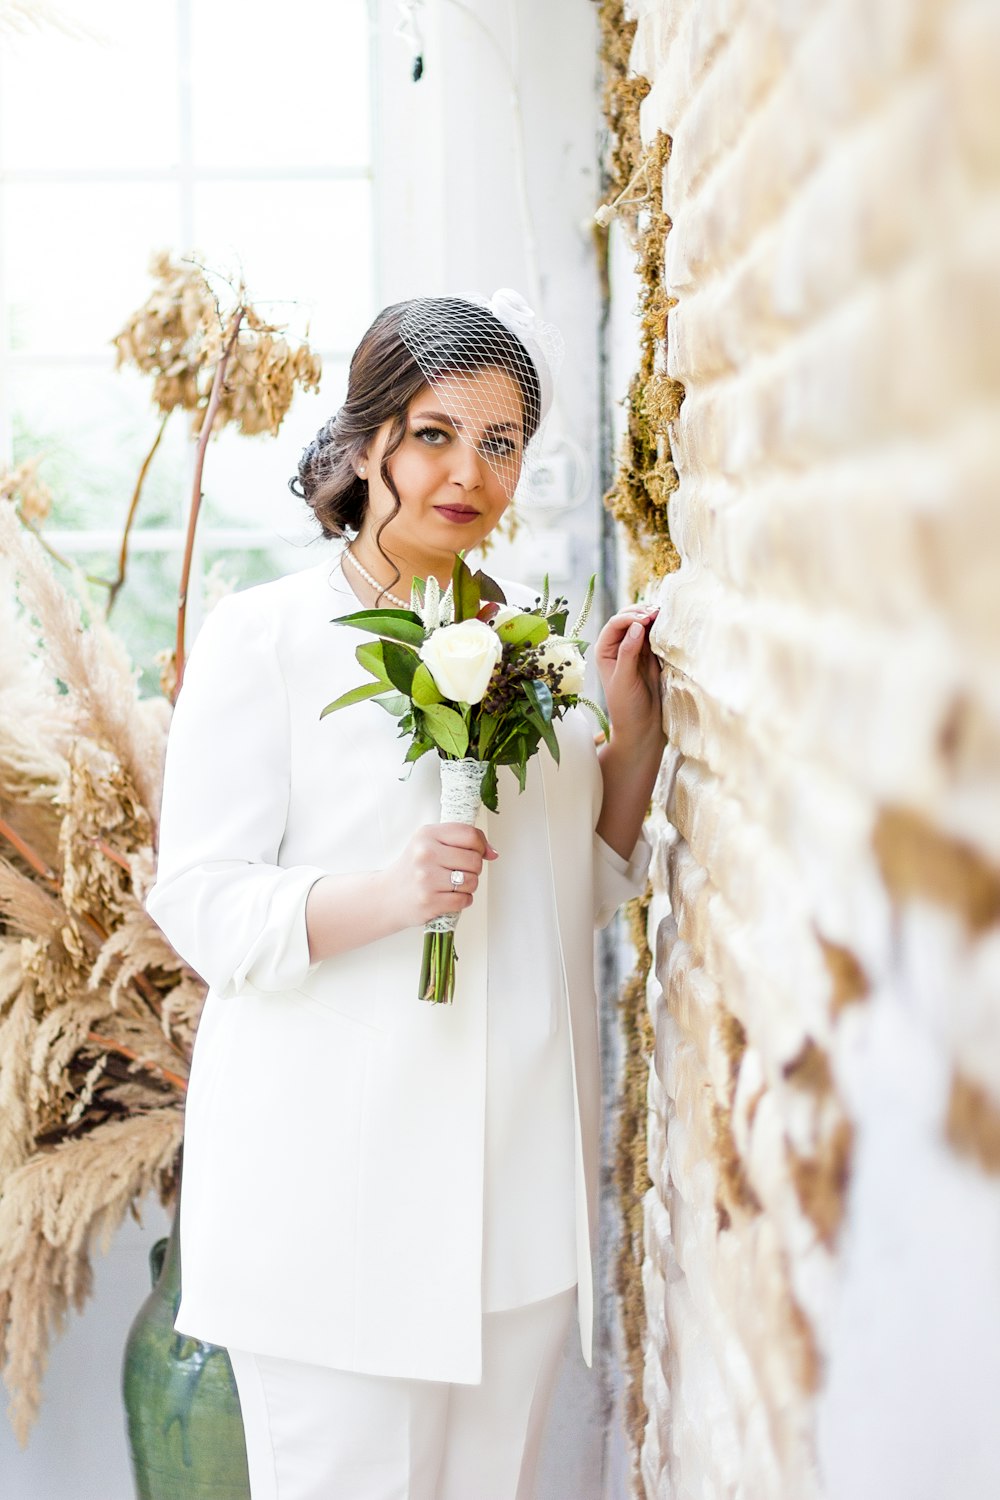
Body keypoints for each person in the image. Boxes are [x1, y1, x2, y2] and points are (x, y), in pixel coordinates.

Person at [146, 290, 665, 1500]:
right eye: (435, 433)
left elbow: (564, 898)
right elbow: (202, 901)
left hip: (515, 1215)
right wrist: (384, 893)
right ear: (367, 441)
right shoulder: (265, 636)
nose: (467, 471)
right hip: (336, 1204)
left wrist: (627, 751)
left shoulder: (528, 652)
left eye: (498, 442)